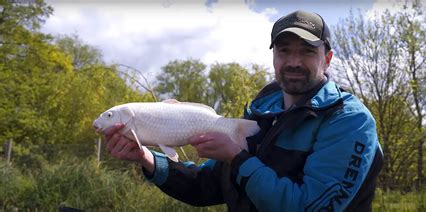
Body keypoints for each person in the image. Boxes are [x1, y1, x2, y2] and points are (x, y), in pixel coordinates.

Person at [103, 10, 383, 212]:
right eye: (284, 50)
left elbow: (309, 206)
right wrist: (147, 158)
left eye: (307, 52)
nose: (294, 61)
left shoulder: (349, 120)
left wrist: (238, 158)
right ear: (274, 56)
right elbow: (205, 187)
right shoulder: (261, 112)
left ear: (327, 58)